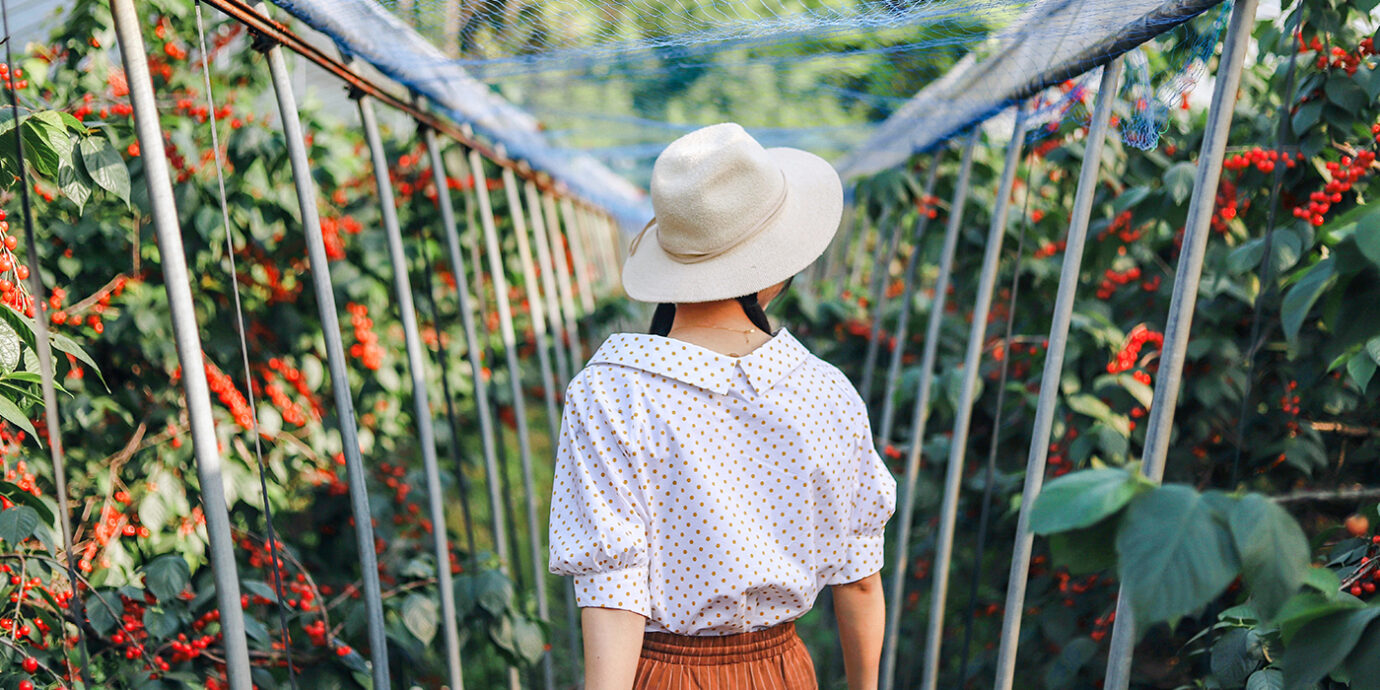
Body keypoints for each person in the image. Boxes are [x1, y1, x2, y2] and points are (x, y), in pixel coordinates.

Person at [549, 122, 897, 690]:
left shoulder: (610, 393)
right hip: (783, 669)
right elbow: (859, 580)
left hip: (661, 673)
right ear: (772, 268)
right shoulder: (824, 390)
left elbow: (614, 595)